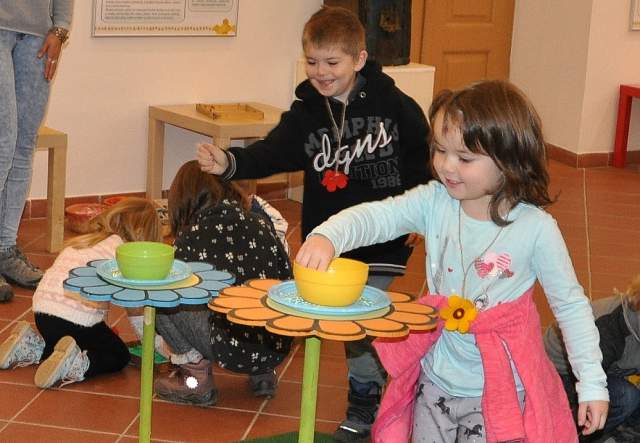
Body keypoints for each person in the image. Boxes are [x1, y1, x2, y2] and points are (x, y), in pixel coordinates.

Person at [295, 80, 610, 442]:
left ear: (509, 159)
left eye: (464, 158)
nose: (446, 165)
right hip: (436, 379)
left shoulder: (536, 229)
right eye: (440, 150)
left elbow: (570, 306)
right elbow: (378, 217)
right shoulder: (435, 202)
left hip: (499, 391)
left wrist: (592, 383)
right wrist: (328, 235)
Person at [197, 6, 431, 439]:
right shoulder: (306, 113)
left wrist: (422, 210)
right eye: (312, 61)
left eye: (332, 62)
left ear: (359, 59)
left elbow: (421, 155)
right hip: (329, 241)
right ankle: (387, 387)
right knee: (354, 324)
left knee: (358, 325)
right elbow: (272, 152)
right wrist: (229, 163)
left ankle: (365, 403)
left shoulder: (395, 105)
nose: (321, 72)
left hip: (385, 241)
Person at [153, 160, 293, 406]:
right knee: (254, 295)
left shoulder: (191, 235)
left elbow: (177, 287)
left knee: (160, 295)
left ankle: (196, 379)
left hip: (229, 346)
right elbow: (286, 278)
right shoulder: (261, 223)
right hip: (275, 344)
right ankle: (262, 374)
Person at [0, 197, 162, 388]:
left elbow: (97, 296)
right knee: (118, 354)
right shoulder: (125, 255)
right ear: (142, 235)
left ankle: (30, 346)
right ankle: (76, 365)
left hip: (42, 314)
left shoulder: (89, 240)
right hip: (73, 320)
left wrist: (101, 327)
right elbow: (135, 308)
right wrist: (151, 344)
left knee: (62, 344)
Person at [0, 1, 74, 302]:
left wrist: (60, 28)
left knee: (23, 144)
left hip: (38, 34)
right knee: (3, 142)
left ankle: (5, 248)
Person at [545, 274, 640, 442]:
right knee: (625, 397)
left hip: (604, 365)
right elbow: (588, 386)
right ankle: (578, 436)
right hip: (562, 374)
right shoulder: (610, 329)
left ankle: (625, 435)